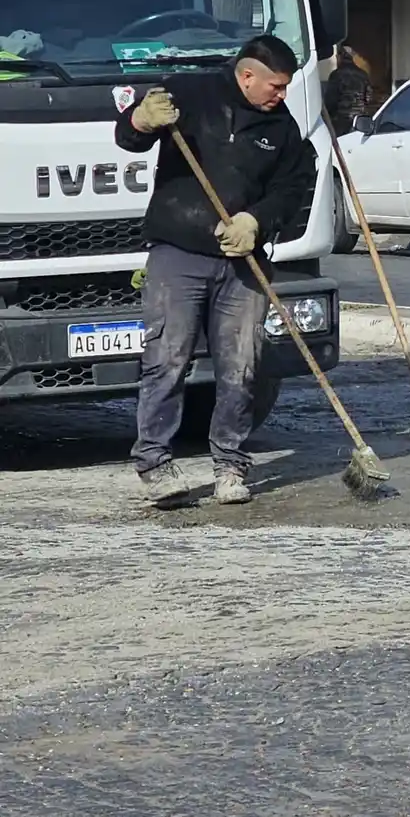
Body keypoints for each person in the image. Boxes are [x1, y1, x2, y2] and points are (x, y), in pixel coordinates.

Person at [116, 35, 317, 506]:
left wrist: (256, 221)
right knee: (167, 359)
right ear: (247, 75)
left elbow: (292, 188)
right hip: (178, 253)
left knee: (243, 366)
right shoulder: (188, 95)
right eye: (276, 86)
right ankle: (155, 463)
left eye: (286, 87)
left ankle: (230, 464)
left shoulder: (281, 129)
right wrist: (139, 120)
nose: (282, 95)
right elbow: (128, 139)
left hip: (243, 261)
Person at [323, 45, 373, 136]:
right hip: (359, 121)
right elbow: (369, 98)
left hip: (341, 121)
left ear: (340, 57)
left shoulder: (336, 75)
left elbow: (330, 101)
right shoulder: (363, 75)